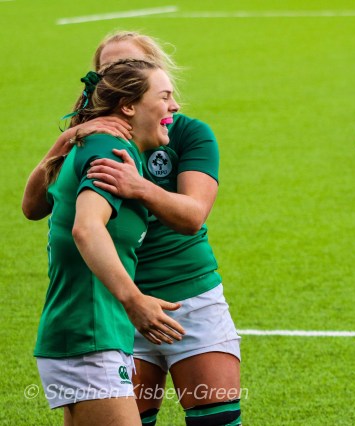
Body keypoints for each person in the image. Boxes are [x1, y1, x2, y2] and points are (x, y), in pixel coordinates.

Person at [23, 32, 242, 426]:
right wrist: (69, 136)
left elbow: (193, 216)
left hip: (184, 297)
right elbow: (46, 212)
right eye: (109, 70)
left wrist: (138, 187)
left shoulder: (181, 132)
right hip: (116, 307)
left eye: (130, 65)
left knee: (216, 419)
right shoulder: (98, 143)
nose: (117, 73)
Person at [33, 59, 185, 425]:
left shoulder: (107, 147)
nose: (175, 106)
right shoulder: (110, 151)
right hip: (90, 335)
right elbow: (86, 228)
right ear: (128, 106)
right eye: (164, 96)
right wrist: (134, 301)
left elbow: (31, 207)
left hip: (87, 333)